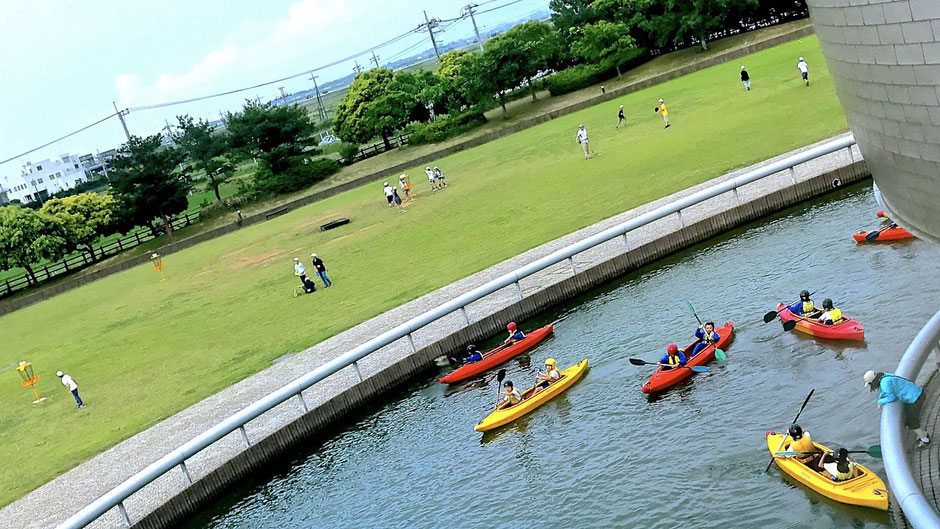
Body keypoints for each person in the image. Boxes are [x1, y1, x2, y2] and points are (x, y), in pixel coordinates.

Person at [864, 370, 930, 447]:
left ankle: (925, 439)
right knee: (911, 419)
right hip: (917, 392)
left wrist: (880, 401)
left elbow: (891, 397)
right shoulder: (885, 376)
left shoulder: (884, 383)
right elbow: (886, 391)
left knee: (911, 422)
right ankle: (922, 434)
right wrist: (880, 399)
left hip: (915, 398)